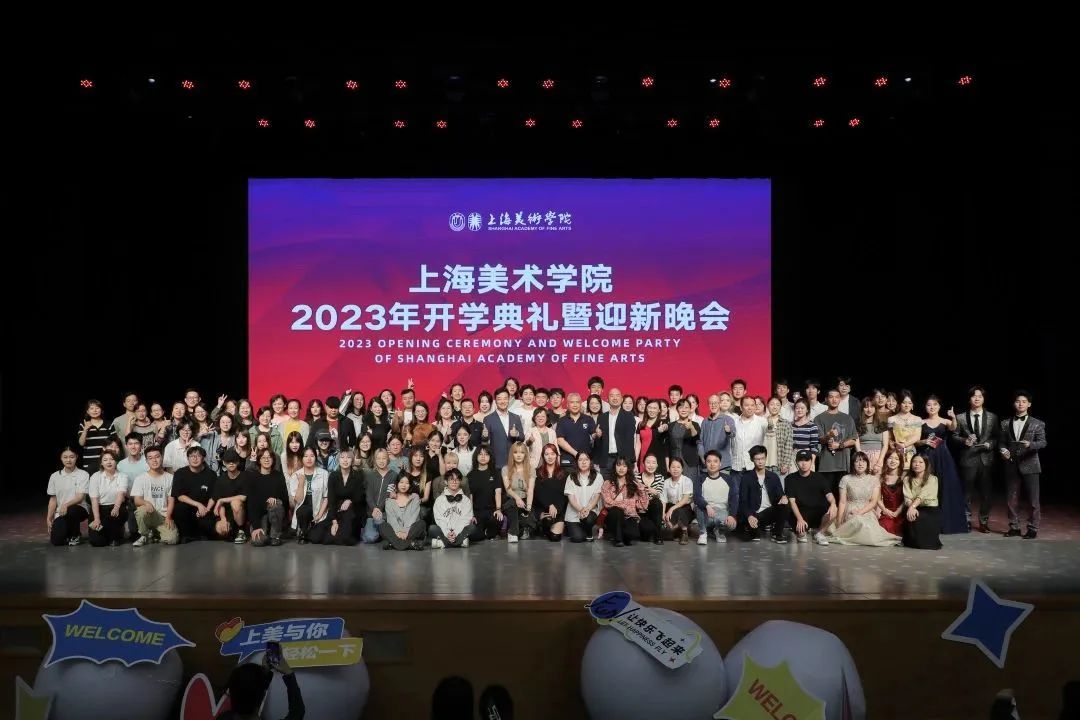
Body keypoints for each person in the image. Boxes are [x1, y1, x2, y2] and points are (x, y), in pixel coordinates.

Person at [950, 385, 999, 533]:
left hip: (986, 459)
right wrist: (964, 441)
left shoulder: (992, 417)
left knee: (986, 493)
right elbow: (954, 436)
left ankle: (983, 522)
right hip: (968, 459)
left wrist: (990, 444)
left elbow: (996, 437)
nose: (977, 398)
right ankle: (966, 520)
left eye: (980, 396)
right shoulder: (960, 417)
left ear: (983, 399)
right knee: (966, 493)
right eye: (974, 396)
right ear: (969, 399)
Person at [1001, 390, 1047, 539]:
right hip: (1011, 464)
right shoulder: (1005, 423)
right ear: (1014, 403)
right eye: (1018, 401)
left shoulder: (1037, 423)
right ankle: (1014, 527)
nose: (1020, 404)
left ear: (1029, 404)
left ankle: (1033, 528)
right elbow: (1002, 442)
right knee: (1011, 499)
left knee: (1033, 500)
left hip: (1030, 464)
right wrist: (1003, 450)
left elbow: (1043, 442)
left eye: (1024, 401)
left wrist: (1030, 445)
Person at [828, 452, 901, 546]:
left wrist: (859, 512)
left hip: (867, 510)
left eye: (863, 461)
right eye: (857, 461)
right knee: (859, 522)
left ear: (867, 464)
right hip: (850, 509)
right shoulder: (845, 479)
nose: (860, 464)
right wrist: (839, 520)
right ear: (853, 464)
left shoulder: (874, 480)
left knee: (868, 527)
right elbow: (842, 502)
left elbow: (873, 502)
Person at [919, 394, 967, 535]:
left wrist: (953, 417)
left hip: (943, 457)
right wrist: (924, 441)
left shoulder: (945, 421)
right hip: (927, 457)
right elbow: (916, 440)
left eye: (935, 404)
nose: (932, 407)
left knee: (945, 487)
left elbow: (953, 428)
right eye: (929, 405)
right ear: (925, 407)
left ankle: (946, 523)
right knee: (927, 487)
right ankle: (928, 522)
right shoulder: (921, 422)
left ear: (939, 406)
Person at [218, 652, 304, 720]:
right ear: (263, 696)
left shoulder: (223, 718)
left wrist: (265, 674)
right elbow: (297, 712)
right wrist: (289, 674)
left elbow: (297, 713)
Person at [737, 446, 791, 543]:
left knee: (785, 505)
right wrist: (749, 515)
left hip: (768, 513)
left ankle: (777, 534)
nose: (760, 462)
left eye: (762, 458)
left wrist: (783, 498)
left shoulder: (773, 477)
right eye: (757, 459)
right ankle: (752, 529)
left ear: (766, 458)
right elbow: (743, 501)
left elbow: (780, 494)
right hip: (754, 514)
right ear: (752, 460)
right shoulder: (746, 477)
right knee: (754, 535)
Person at [786, 449, 838, 545]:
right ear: (796, 462)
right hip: (799, 513)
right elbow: (792, 502)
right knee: (802, 536)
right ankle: (803, 531)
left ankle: (820, 533)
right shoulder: (790, 478)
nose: (804, 463)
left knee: (834, 509)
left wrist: (833, 504)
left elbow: (829, 495)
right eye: (801, 460)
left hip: (816, 512)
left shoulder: (819, 477)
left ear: (811, 461)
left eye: (807, 460)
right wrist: (800, 519)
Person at [130, 446, 179, 546]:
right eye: (150, 458)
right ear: (146, 461)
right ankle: (144, 534)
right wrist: (146, 503)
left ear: (162, 458)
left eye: (157, 456)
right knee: (141, 511)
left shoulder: (170, 478)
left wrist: (168, 517)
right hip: (148, 513)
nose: (154, 460)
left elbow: (171, 500)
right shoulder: (140, 478)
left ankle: (155, 534)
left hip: (162, 516)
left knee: (172, 540)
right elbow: (137, 500)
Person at [814, 389, 858, 498]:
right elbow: (819, 440)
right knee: (826, 498)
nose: (834, 400)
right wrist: (829, 435)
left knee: (842, 497)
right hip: (826, 465)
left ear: (840, 399)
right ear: (826, 399)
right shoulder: (819, 418)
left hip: (843, 465)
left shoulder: (847, 418)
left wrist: (840, 445)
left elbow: (853, 440)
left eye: (837, 397)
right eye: (831, 397)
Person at [600, 457, 651, 547]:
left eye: (624, 466)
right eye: (619, 465)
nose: (621, 468)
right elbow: (608, 503)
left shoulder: (633, 484)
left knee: (632, 535)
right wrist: (627, 504)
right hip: (613, 516)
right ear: (614, 467)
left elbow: (643, 506)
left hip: (629, 516)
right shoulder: (608, 483)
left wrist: (642, 491)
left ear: (628, 468)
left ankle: (619, 534)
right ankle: (618, 540)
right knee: (617, 511)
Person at [171, 446, 218, 542]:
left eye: (198, 456)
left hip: (205, 508)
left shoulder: (211, 474)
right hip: (187, 507)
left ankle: (200, 533)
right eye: (192, 456)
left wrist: (206, 509)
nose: (195, 458)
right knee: (180, 508)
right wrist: (197, 504)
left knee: (211, 533)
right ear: (188, 458)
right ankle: (186, 535)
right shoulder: (180, 473)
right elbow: (180, 496)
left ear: (203, 458)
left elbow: (213, 496)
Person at [693, 450, 739, 544]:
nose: (712, 464)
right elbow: (697, 497)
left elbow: (734, 498)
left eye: (715, 461)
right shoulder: (700, 478)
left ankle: (719, 531)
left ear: (720, 464)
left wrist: (732, 515)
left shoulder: (729, 479)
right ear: (705, 463)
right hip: (706, 513)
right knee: (698, 507)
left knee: (732, 525)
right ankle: (703, 533)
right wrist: (707, 506)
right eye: (709, 461)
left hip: (722, 513)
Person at [47, 447, 90, 546]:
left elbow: (80, 497)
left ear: (76, 457)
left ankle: (75, 534)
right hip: (61, 512)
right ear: (61, 458)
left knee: (71, 510)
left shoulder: (83, 474)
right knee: (56, 541)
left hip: (79, 509)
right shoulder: (54, 476)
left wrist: (65, 505)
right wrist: (49, 518)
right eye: (65, 457)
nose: (68, 460)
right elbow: (53, 499)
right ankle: (68, 533)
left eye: (71, 457)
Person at [246, 448, 289, 547]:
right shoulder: (252, 477)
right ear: (259, 460)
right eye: (263, 457)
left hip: (274, 512)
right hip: (260, 515)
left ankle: (275, 536)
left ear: (273, 460)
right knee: (258, 541)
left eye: (269, 457)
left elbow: (285, 499)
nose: (266, 460)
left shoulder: (278, 476)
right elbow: (251, 504)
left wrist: (275, 497)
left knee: (276, 504)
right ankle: (266, 531)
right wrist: (256, 526)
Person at [87, 449, 129, 547]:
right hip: (99, 509)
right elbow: (94, 499)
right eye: (105, 460)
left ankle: (116, 534)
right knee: (97, 542)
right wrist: (97, 518)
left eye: (112, 459)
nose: (109, 462)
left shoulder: (122, 476)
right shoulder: (95, 477)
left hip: (115, 508)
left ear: (116, 461)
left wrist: (116, 507)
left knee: (118, 515)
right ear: (101, 463)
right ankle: (112, 533)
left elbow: (121, 493)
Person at [287, 447, 329, 545]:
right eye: (306, 456)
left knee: (317, 539)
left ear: (316, 457)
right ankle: (303, 532)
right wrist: (301, 483)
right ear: (302, 458)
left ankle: (309, 530)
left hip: (319, 508)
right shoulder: (296, 475)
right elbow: (298, 500)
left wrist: (319, 515)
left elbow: (326, 497)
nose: (309, 459)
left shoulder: (324, 474)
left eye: (312, 456)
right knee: (303, 510)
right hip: (304, 509)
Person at [595, 388, 637, 478]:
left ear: (621, 399)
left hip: (623, 459)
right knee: (605, 485)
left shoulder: (628, 416)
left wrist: (628, 461)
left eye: (617, 395)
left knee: (624, 485)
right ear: (607, 399)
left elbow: (629, 440)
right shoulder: (602, 417)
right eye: (612, 396)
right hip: (606, 459)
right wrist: (598, 436)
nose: (614, 398)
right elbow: (599, 442)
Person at [902, 454, 942, 549]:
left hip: (929, 509)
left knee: (921, 519)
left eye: (920, 462)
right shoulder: (907, 479)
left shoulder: (932, 479)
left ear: (926, 464)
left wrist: (912, 507)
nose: (917, 464)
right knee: (911, 517)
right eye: (914, 462)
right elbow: (907, 497)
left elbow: (922, 495)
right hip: (913, 508)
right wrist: (911, 508)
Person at [429, 469, 474, 548]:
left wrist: (456, 532)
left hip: (460, 530)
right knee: (432, 528)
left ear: (460, 481)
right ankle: (460, 542)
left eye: (457, 479)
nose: (454, 482)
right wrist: (447, 533)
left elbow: (465, 519)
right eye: (451, 479)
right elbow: (440, 519)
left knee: (472, 527)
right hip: (445, 530)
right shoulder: (439, 500)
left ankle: (442, 543)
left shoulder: (466, 500)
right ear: (446, 482)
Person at [564, 452, 603, 543]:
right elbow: (571, 498)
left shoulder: (598, 476)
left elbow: (597, 496)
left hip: (590, 511)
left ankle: (588, 532)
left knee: (589, 519)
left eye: (586, 459)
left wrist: (587, 509)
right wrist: (581, 509)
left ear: (590, 462)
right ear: (576, 462)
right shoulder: (571, 477)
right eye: (580, 460)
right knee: (578, 538)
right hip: (574, 513)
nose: (583, 462)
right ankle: (575, 528)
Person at [501, 442, 536, 542]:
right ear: (512, 454)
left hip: (525, 501)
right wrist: (517, 498)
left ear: (525, 454)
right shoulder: (505, 469)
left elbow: (530, 490)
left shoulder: (531, 469)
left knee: (530, 521)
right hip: (511, 500)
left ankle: (520, 527)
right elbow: (508, 489)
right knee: (512, 504)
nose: (519, 455)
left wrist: (528, 508)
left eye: (522, 452)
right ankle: (512, 533)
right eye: (515, 452)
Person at [212, 450, 249, 543]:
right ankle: (232, 530)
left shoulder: (245, 476)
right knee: (220, 529)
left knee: (235, 503)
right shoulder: (220, 479)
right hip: (227, 513)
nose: (231, 463)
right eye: (228, 461)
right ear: (224, 463)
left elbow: (243, 497)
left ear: (238, 462)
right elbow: (220, 503)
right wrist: (223, 519)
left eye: (234, 461)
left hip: (242, 512)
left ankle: (241, 530)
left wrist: (221, 500)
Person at [380, 475, 426, 550]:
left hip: (410, 531)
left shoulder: (415, 497)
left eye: (407, 483)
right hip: (396, 532)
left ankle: (394, 543)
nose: (404, 485)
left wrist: (405, 532)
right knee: (383, 526)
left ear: (410, 485)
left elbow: (414, 517)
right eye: (401, 482)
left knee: (421, 523)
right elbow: (391, 519)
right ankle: (409, 544)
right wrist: (398, 531)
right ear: (397, 484)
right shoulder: (389, 501)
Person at [468, 446, 503, 542]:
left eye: (486, 454)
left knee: (497, 520)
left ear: (490, 457)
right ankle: (483, 533)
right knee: (475, 536)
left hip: (492, 511)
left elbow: (498, 492)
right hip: (477, 512)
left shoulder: (495, 473)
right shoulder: (471, 475)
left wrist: (498, 509)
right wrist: (471, 515)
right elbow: (470, 497)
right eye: (480, 454)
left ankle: (489, 533)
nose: (483, 456)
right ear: (476, 456)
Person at [484, 387, 525, 469]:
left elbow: (522, 438)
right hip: (496, 463)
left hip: (514, 462)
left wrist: (517, 434)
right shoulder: (488, 419)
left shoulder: (516, 418)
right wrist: (484, 436)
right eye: (499, 399)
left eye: (505, 398)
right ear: (495, 401)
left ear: (509, 399)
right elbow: (484, 441)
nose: (502, 401)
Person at [362, 448, 397, 543]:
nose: (381, 461)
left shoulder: (393, 475)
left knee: (390, 534)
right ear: (375, 460)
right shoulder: (370, 475)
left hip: (385, 514)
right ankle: (374, 531)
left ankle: (380, 531)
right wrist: (374, 508)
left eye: (384, 458)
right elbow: (368, 495)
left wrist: (379, 510)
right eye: (378, 458)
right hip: (371, 513)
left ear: (388, 459)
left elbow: (389, 495)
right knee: (370, 538)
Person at [533, 444, 567, 541]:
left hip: (558, 509)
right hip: (543, 508)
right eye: (546, 454)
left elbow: (563, 495)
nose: (550, 457)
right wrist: (549, 505)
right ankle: (542, 526)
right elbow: (538, 492)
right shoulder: (537, 472)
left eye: (552, 454)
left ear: (556, 455)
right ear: (543, 456)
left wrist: (556, 508)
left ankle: (548, 529)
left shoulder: (564, 473)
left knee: (555, 538)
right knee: (547, 521)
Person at [556, 392, 598, 469]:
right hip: (568, 462)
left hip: (585, 462)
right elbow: (560, 440)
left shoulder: (588, 419)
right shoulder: (562, 421)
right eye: (572, 402)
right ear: (567, 405)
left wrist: (597, 433)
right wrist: (577, 454)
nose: (575, 405)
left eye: (577, 402)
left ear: (581, 404)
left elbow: (593, 435)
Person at [661, 457, 695, 544]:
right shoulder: (666, 482)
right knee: (670, 525)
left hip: (685, 507)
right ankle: (677, 529)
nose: (675, 469)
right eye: (673, 467)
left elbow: (685, 499)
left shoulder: (687, 481)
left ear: (682, 469)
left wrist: (671, 509)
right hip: (670, 506)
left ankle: (684, 532)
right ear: (669, 469)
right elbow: (663, 500)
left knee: (680, 511)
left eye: (678, 467)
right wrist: (663, 514)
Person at [731, 396, 768, 474]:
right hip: (737, 466)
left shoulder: (762, 421)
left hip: (754, 466)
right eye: (747, 405)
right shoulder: (734, 422)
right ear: (741, 407)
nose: (750, 408)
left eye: (752, 405)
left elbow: (770, 436)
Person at [887, 391, 923, 469]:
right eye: (904, 403)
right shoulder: (891, 419)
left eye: (910, 403)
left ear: (912, 405)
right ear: (899, 404)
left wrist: (904, 445)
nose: (907, 405)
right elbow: (889, 437)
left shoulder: (917, 419)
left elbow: (917, 437)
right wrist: (892, 444)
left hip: (911, 452)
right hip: (896, 453)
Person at [855, 397, 890, 474]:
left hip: (879, 457)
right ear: (862, 409)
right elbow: (857, 444)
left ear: (875, 408)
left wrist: (879, 462)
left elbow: (885, 445)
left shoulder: (882, 425)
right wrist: (862, 460)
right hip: (863, 456)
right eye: (866, 407)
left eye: (872, 407)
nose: (869, 409)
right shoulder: (858, 425)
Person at [77, 399, 113, 473]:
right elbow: (81, 443)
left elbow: (114, 443)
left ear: (101, 410)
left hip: (106, 462)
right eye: (92, 408)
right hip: (89, 462)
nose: (95, 410)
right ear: (87, 411)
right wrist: (85, 429)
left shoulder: (109, 424)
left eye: (97, 408)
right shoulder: (83, 424)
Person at [763, 396, 794, 479]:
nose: (774, 407)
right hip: (762, 464)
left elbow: (788, 445)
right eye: (772, 404)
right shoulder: (762, 422)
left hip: (779, 464)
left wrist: (786, 464)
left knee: (779, 487)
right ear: (767, 406)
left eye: (777, 404)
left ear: (780, 407)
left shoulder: (786, 423)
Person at [877, 449, 906, 537]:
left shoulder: (904, 477)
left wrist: (898, 511)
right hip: (887, 512)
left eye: (896, 459)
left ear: (900, 462)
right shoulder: (880, 478)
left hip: (902, 512)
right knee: (885, 526)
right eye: (890, 458)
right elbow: (878, 499)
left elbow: (907, 499)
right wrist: (885, 510)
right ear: (886, 460)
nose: (893, 461)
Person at [637, 399, 670, 473]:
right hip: (643, 459)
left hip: (658, 461)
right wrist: (635, 462)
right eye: (650, 407)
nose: (652, 410)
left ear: (659, 410)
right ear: (646, 409)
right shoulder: (640, 424)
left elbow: (666, 427)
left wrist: (662, 428)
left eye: (655, 408)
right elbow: (638, 444)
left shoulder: (663, 423)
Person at [640, 453, 666, 544]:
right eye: (648, 462)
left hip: (653, 511)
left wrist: (655, 492)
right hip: (641, 511)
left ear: (657, 465)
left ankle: (658, 536)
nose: (651, 465)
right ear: (643, 464)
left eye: (653, 463)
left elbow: (659, 494)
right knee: (645, 533)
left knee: (657, 502)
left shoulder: (660, 477)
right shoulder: (636, 477)